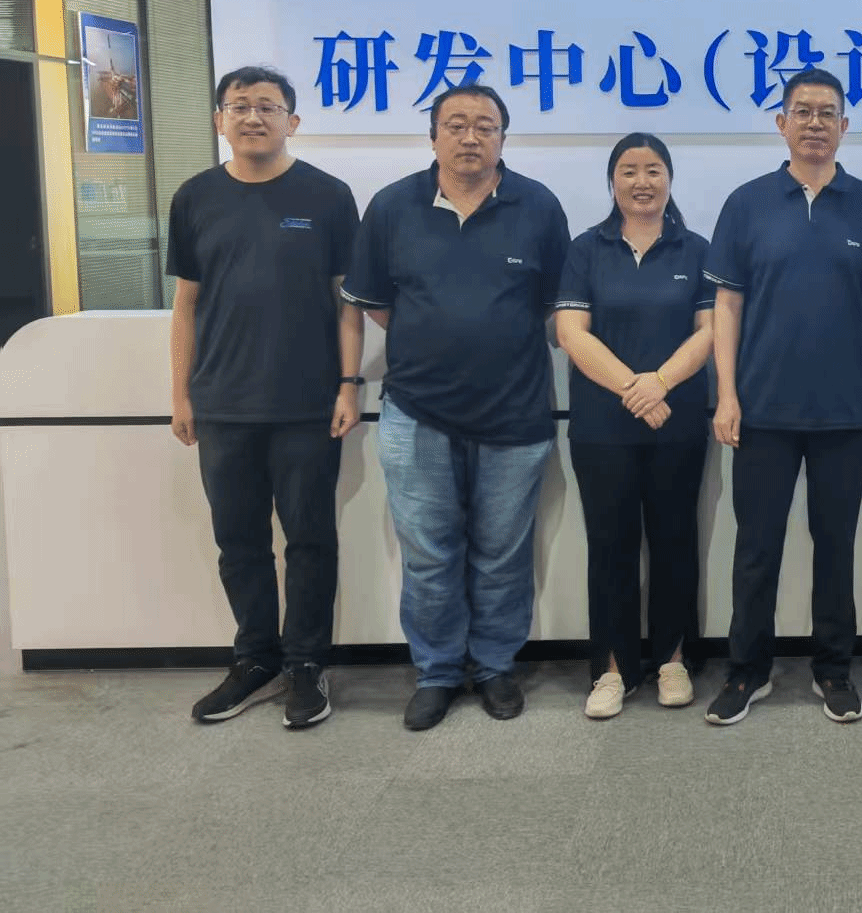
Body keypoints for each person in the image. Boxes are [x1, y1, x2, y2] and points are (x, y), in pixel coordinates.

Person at [341, 84, 569, 731]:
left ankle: (494, 666)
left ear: (503, 137)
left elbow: (556, 306)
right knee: (429, 553)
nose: (471, 137)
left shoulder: (539, 206)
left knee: (501, 553)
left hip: (515, 412)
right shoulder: (393, 206)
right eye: (457, 124)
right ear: (433, 135)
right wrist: (435, 336)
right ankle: (438, 671)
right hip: (417, 411)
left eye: (485, 126)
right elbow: (376, 303)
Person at [702, 67, 862, 725]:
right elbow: (727, 305)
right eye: (803, 111)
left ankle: (833, 669)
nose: (815, 123)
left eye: (827, 113)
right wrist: (726, 394)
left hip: (845, 411)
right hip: (761, 410)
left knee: (835, 547)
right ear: (781, 122)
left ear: (844, 125)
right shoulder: (747, 203)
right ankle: (747, 671)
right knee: (755, 549)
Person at [167, 64, 363, 730]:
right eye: (240, 105)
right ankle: (255, 659)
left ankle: (305, 663)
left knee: (309, 540)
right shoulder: (195, 197)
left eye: (268, 107)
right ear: (220, 119)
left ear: (292, 121)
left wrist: (349, 383)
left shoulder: (329, 196)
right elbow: (186, 305)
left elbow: (347, 301)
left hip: (308, 404)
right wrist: (181, 394)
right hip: (222, 404)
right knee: (239, 542)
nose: (253, 117)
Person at [558, 133, 714, 720]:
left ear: (669, 179)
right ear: (612, 181)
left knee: (675, 542)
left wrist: (661, 383)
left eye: (653, 170)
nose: (641, 182)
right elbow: (571, 333)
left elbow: (710, 331)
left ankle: (673, 660)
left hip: (677, 424)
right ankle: (611, 669)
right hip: (602, 429)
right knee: (610, 547)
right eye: (628, 171)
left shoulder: (696, 250)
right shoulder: (585, 249)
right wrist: (634, 388)